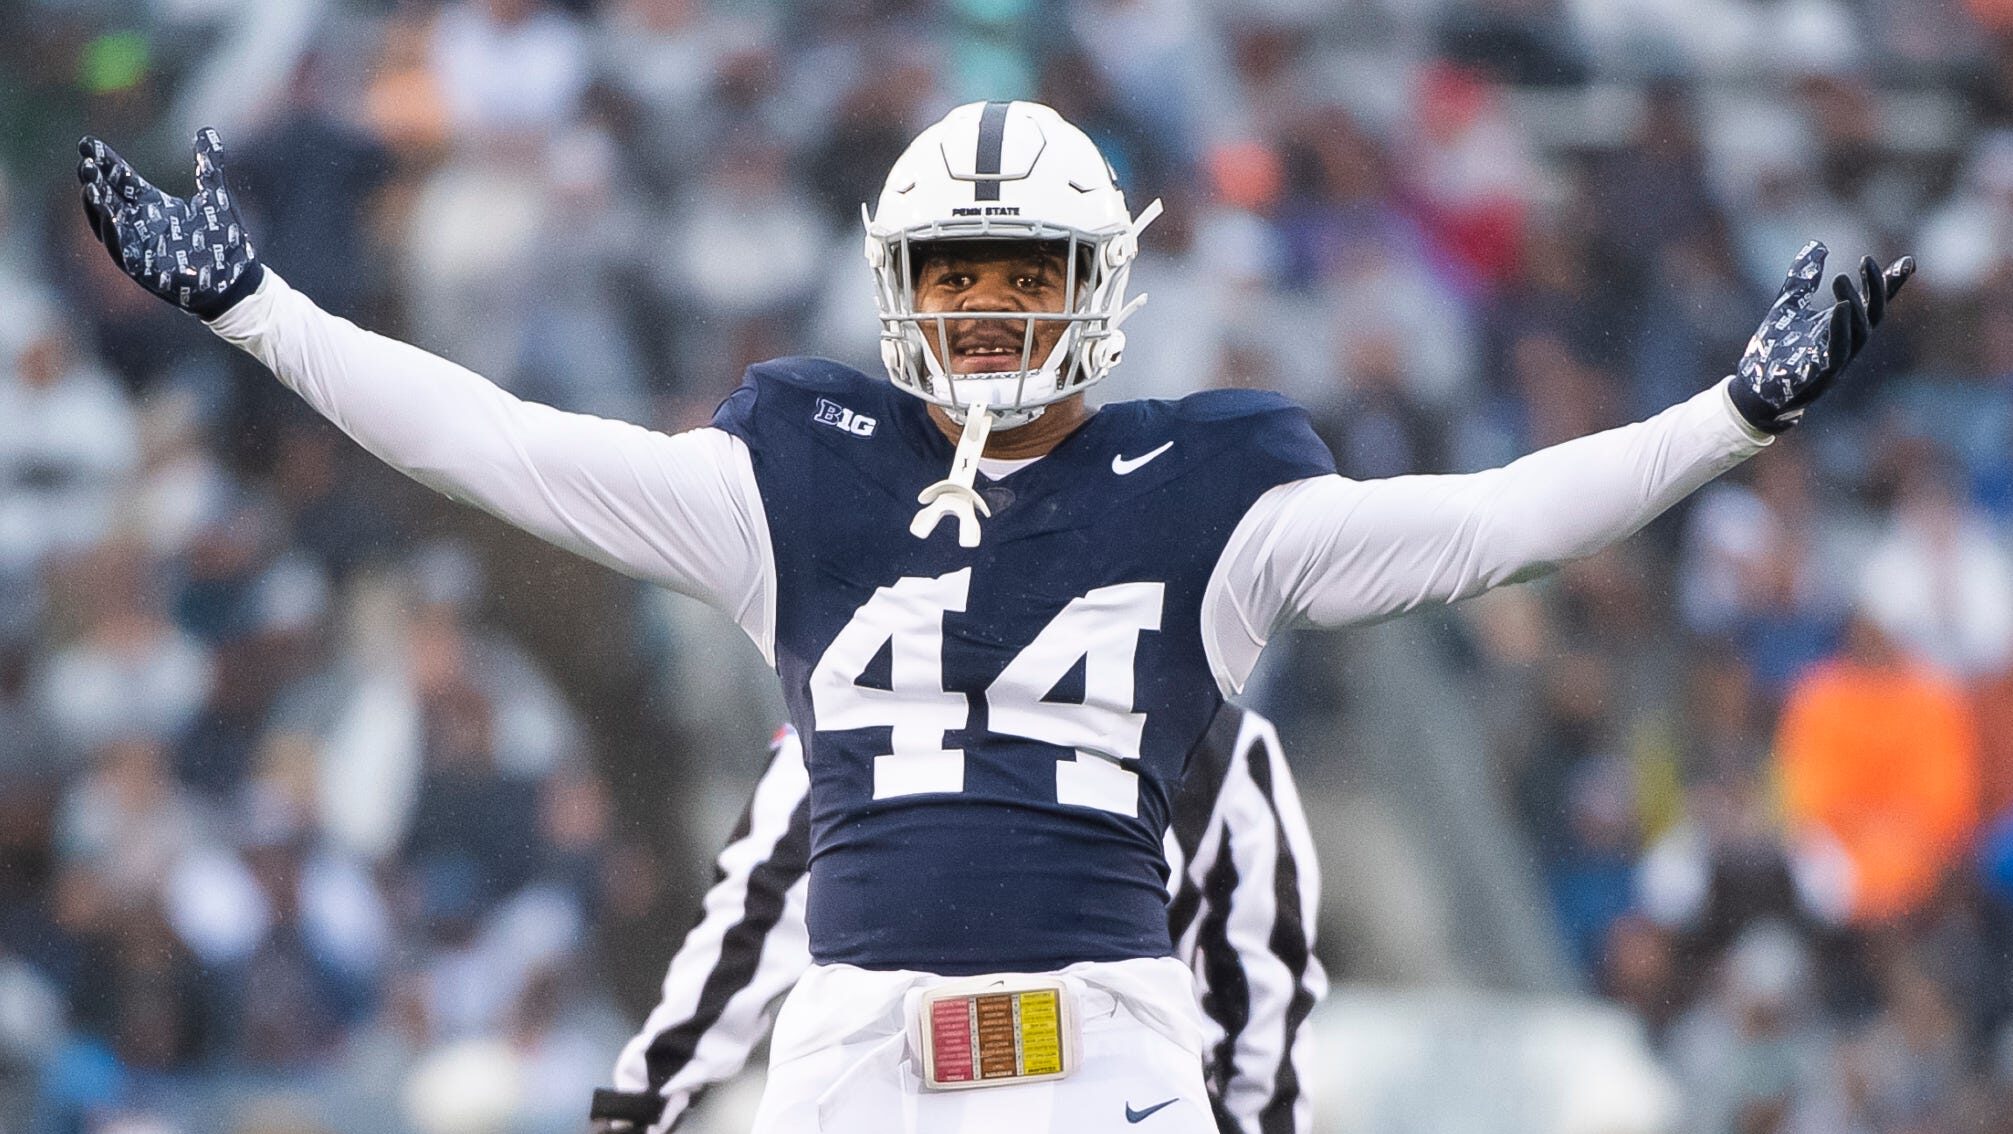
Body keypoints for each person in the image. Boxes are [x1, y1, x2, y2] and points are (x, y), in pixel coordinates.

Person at [76, 104, 1909, 1133]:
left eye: (1011, 274)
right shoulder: (790, 474)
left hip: (1102, 1046)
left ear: (1099, 282)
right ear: (891, 283)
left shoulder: (1220, 495)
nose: (974, 311)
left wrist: (1726, 417)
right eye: (946, 276)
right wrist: (259, 310)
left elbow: (1489, 528)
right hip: (854, 1051)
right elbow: (499, 444)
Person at [594, 705, 1321, 1134]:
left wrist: (634, 1107)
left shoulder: (846, 714)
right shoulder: (1213, 734)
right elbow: (1262, 1012)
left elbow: (744, 934)